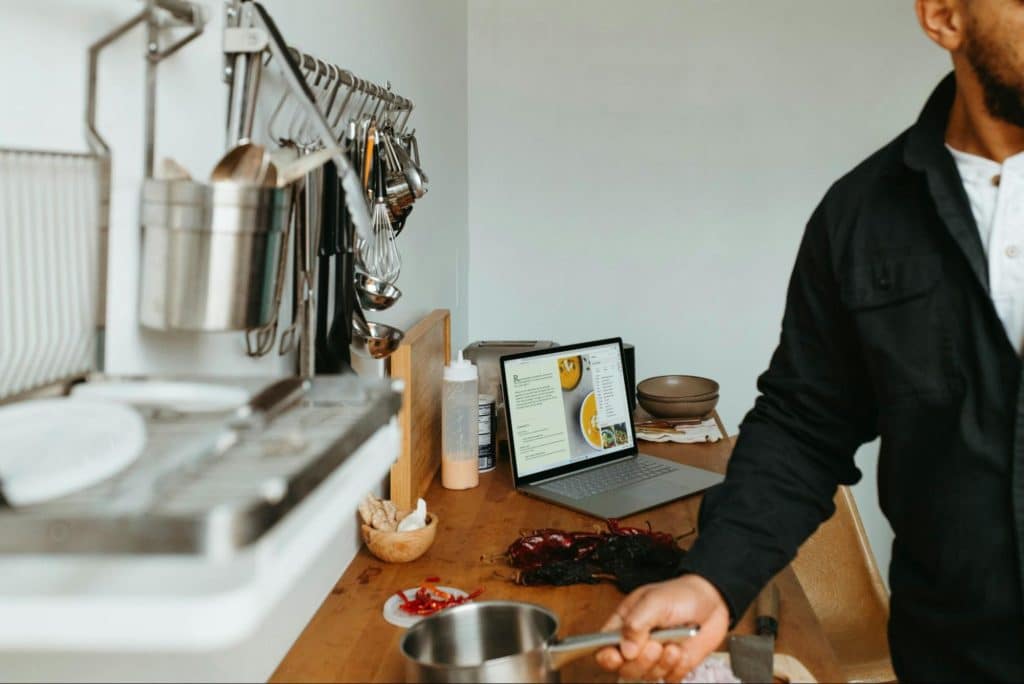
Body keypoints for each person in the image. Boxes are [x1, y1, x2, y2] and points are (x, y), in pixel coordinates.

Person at [596, 0, 1024, 681]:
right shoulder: (861, 216)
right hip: (954, 660)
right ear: (944, 15)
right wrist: (712, 580)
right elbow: (805, 426)